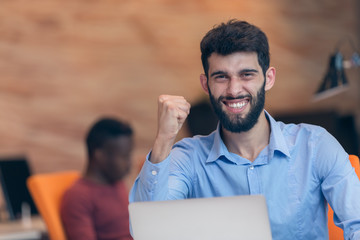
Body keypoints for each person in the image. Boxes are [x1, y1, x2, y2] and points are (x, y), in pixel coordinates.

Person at [129, 20, 360, 239]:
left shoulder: (315, 144)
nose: (234, 89)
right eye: (221, 77)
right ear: (205, 84)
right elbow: (147, 232)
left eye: (246, 74)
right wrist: (163, 139)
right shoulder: (188, 158)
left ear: (268, 78)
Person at [61, 117, 133, 240]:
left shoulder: (118, 184)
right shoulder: (78, 197)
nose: (129, 163)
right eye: (124, 156)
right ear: (100, 155)